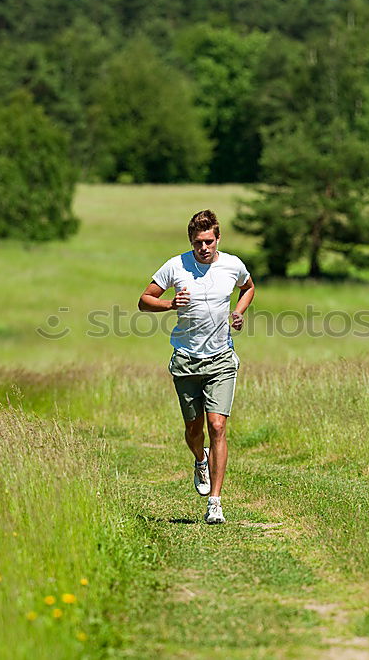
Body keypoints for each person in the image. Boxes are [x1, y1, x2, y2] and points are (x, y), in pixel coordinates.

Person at [138, 210, 255, 524]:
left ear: (218, 239)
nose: (204, 247)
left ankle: (215, 502)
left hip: (221, 360)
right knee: (194, 430)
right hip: (186, 360)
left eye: (209, 241)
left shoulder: (233, 265)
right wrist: (169, 304)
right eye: (198, 242)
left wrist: (240, 312)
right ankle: (199, 459)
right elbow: (144, 300)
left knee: (217, 427)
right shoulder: (175, 266)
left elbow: (248, 287)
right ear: (191, 241)